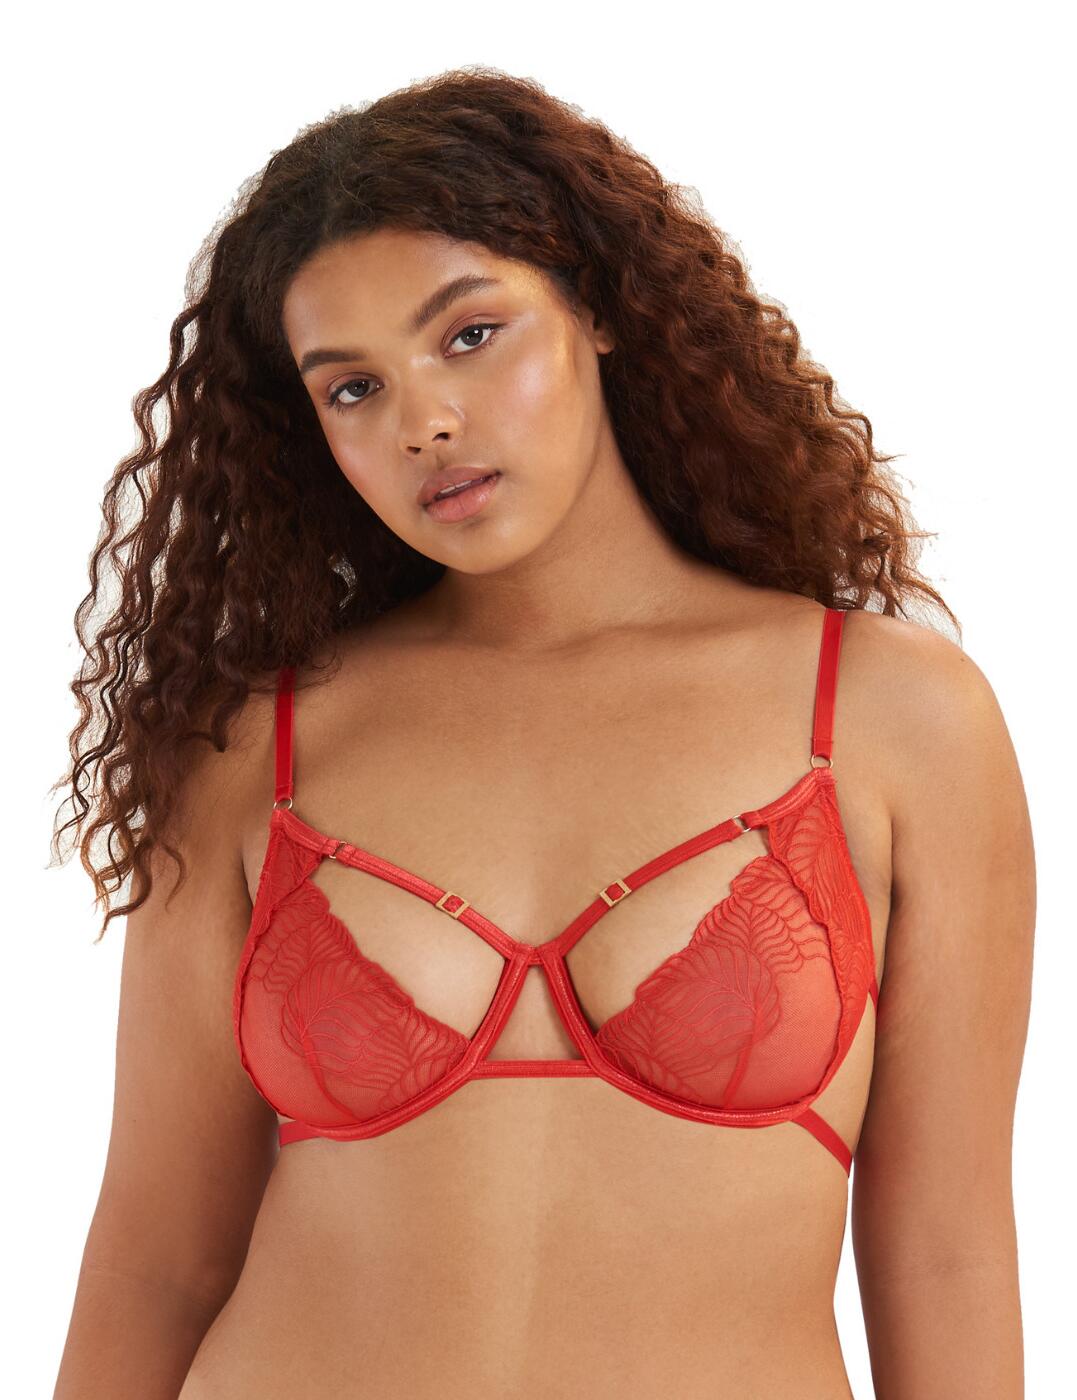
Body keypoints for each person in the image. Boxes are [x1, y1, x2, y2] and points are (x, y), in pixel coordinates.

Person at [51, 67, 1033, 1400]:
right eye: (353, 388)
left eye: (470, 334)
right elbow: (156, 1263)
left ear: (600, 310)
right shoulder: (255, 745)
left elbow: (945, 1257)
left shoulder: (888, 715)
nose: (425, 422)